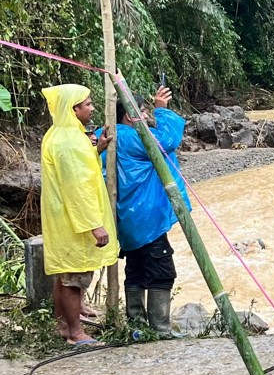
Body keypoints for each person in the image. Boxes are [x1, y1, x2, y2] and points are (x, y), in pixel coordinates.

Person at [105, 86, 189, 337]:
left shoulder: (108, 135)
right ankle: (160, 328)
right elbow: (166, 142)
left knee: (136, 270)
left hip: (127, 220)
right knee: (162, 272)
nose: (146, 116)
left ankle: (137, 326)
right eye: (142, 111)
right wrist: (162, 110)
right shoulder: (134, 137)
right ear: (130, 116)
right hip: (147, 218)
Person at [40, 84, 118, 347]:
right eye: (87, 104)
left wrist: (97, 150)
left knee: (64, 274)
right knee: (74, 277)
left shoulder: (59, 134)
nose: (91, 108)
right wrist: (94, 225)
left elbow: (81, 172)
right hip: (74, 220)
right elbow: (77, 188)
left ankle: (63, 325)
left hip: (63, 217)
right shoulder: (70, 142)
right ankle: (76, 333)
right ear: (74, 109)